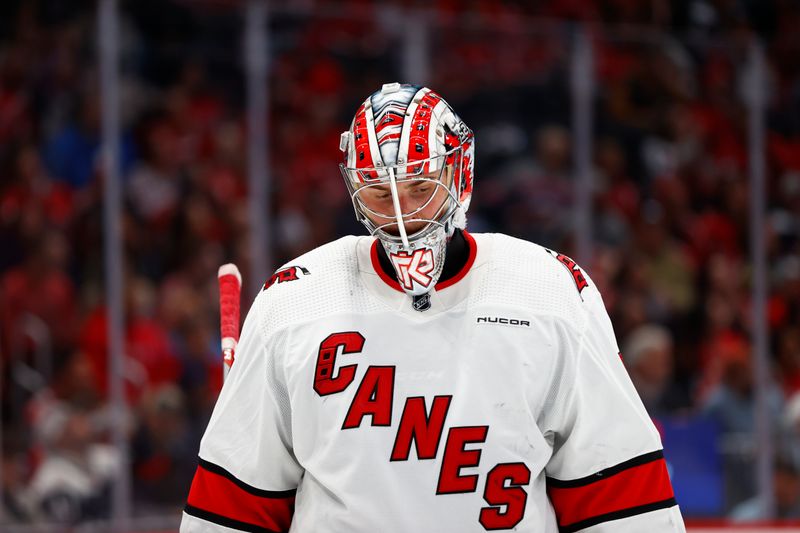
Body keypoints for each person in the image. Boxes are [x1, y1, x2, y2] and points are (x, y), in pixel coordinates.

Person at [180, 83, 685, 532]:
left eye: (421, 188)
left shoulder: (549, 293)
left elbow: (621, 501)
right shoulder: (295, 300)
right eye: (379, 193)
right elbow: (235, 507)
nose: (402, 217)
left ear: (460, 173)